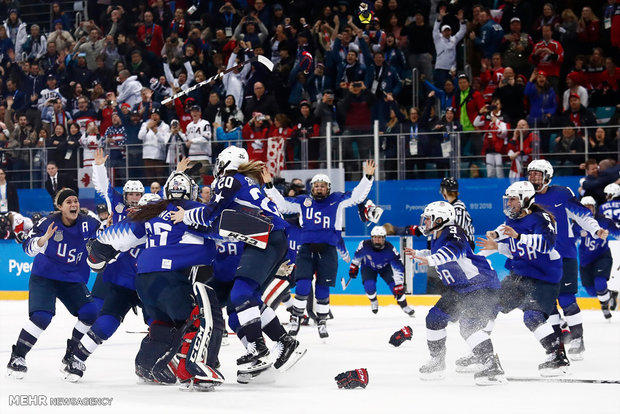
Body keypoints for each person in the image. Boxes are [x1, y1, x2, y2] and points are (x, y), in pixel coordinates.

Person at [170, 146, 306, 383]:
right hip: (269, 237)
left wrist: (186, 217)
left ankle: (258, 348)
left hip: (265, 237)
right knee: (245, 301)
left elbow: (211, 213)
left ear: (224, 164)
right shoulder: (246, 182)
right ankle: (283, 342)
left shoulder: (230, 180)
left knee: (241, 294)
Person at [87, 172, 225, 390]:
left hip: (143, 281)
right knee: (201, 317)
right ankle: (194, 369)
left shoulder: (153, 211)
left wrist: (97, 248)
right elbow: (222, 229)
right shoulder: (192, 209)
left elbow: (121, 235)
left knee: (165, 324)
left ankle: (147, 364)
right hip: (168, 278)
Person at [264, 161, 376, 338]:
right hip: (306, 249)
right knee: (302, 285)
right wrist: (269, 186)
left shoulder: (337, 200)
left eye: (323, 186)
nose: (319, 189)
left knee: (323, 288)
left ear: (328, 188)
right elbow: (282, 204)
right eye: (316, 186)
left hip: (328, 250)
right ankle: (296, 318)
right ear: (311, 188)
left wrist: (368, 177)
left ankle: (322, 321)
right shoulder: (303, 201)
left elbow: (357, 196)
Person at [63, 193, 161, 382]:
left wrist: (98, 250)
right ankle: (158, 362)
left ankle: (76, 359)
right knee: (158, 324)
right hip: (143, 283)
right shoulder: (163, 228)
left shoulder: (130, 225)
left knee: (110, 321)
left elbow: (101, 247)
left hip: (126, 281)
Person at [405, 201, 505, 385]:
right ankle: (437, 361)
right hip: (459, 289)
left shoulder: (453, 231)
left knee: (469, 327)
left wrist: (430, 259)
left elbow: (453, 252)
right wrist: (420, 253)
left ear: (441, 219)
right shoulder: (438, 234)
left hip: (480, 285)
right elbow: (439, 251)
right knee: (434, 319)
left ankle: (491, 366)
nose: (425, 222)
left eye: (428, 219)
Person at [7, 188, 100, 381]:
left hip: (72, 278)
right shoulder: (47, 223)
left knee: (90, 312)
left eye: (76, 201)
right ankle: (18, 356)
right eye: (69, 202)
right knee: (41, 317)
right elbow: (27, 248)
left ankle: (72, 356)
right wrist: (42, 240)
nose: (74, 204)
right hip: (45, 277)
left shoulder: (88, 222)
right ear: (60, 207)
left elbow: (106, 233)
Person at [477, 181, 568, 376]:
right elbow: (517, 251)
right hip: (521, 274)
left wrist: (519, 237)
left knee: (532, 317)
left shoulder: (541, 218)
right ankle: (480, 350)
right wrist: (497, 247)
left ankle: (557, 357)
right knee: (491, 304)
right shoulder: (512, 220)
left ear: (525, 199)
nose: (509, 203)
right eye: (507, 199)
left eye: (512, 199)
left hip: (544, 276)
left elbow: (547, 245)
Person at [527, 160, 607, 361]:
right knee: (547, 304)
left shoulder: (562, 193)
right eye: (530, 174)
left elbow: (582, 215)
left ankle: (578, 339)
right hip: (541, 258)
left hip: (565, 254)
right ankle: (558, 342)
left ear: (547, 176)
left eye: (537, 174)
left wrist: (595, 229)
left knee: (566, 299)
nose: (533, 178)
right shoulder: (526, 196)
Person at [349, 225, 414, 315]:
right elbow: (357, 257)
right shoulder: (364, 245)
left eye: (380, 238)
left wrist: (399, 284)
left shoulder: (390, 249)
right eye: (375, 238)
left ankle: (404, 306)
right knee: (369, 286)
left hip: (385, 268)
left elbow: (398, 267)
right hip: (368, 267)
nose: (377, 240)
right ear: (371, 238)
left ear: (384, 238)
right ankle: (373, 301)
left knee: (396, 287)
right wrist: (353, 267)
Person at [577, 196, 619, 319]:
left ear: (595, 208)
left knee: (600, 283)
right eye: (586, 208)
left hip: (602, 255)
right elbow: (569, 239)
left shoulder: (604, 220)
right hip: (585, 260)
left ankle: (604, 303)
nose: (589, 211)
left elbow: (617, 233)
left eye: (590, 207)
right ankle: (609, 296)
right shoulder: (577, 222)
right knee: (590, 291)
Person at [439, 178, 475, 249]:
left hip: (464, 245)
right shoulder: (452, 206)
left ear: (445, 191)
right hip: (459, 243)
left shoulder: (458, 207)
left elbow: (459, 230)